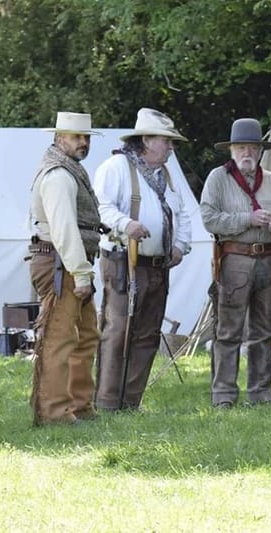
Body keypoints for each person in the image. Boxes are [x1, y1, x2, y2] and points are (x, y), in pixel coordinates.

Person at [93, 108, 192, 411]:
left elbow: (182, 215)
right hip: (123, 261)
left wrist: (180, 246)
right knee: (118, 330)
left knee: (148, 333)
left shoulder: (167, 176)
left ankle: (130, 402)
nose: (171, 147)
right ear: (147, 140)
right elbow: (101, 207)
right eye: (166, 141)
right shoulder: (116, 167)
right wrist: (126, 224)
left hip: (157, 266)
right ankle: (107, 401)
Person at [200, 117, 271, 408]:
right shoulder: (218, 178)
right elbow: (209, 219)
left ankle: (260, 393)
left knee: (263, 331)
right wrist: (248, 219)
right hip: (235, 260)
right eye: (241, 147)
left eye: (253, 148)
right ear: (231, 150)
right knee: (228, 331)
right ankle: (223, 395)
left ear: (260, 151)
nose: (247, 153)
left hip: (269, 260)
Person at [28, 111, 104, 425]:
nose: (83, 142)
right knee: (59, 339)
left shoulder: (70, 170)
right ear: (59, 138)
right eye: (76, 137)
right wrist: (81, 273)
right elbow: (64, 230)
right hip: (61, 264)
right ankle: (54, 413)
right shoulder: (58, 175)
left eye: (86, 137)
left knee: (86, 335)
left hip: (70, 263)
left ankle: (79, 406)